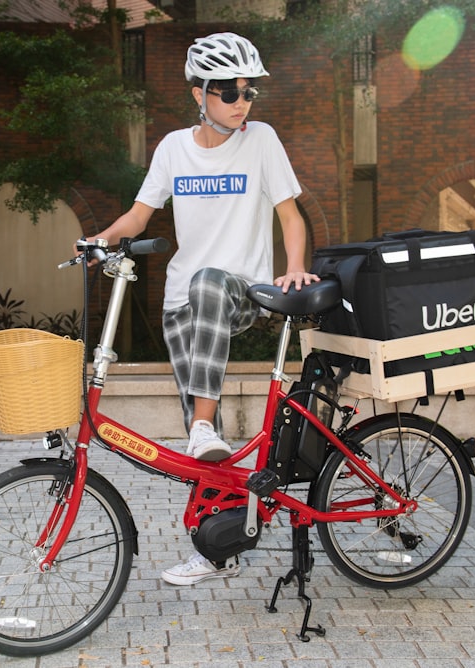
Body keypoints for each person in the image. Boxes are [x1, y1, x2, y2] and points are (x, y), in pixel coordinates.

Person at [81, 32, 318, 585]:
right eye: (229, 91)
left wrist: (295, 266)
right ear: (199, 94)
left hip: (240, 291)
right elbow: (140, 215)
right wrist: (101, 237)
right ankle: (214, 546)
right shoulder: (172, 149)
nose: (242, 102)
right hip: (181, 302)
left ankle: (207, 425)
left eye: (248, 92)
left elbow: (290, 214)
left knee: (211, 292)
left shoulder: (260, 140)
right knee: (199, 447)